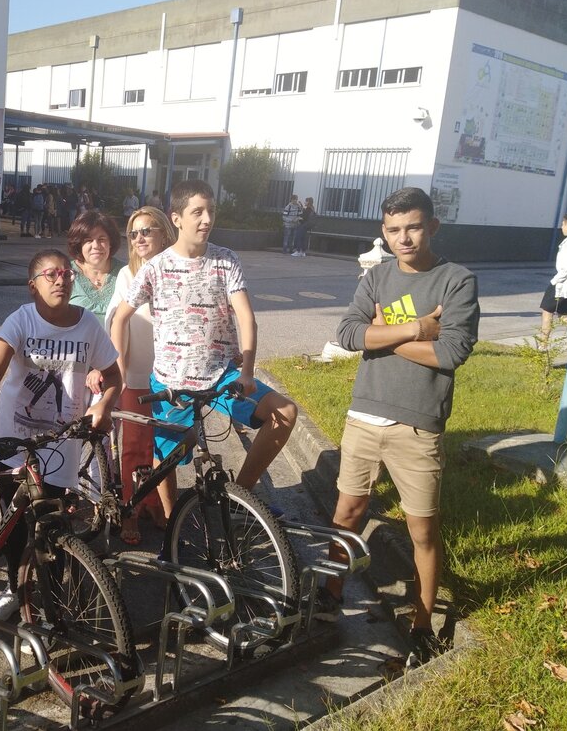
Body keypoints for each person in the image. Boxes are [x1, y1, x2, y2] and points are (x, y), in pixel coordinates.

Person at [316, 187, 479, 670]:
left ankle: (423, 623)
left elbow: (450, 353)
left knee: (422, 529)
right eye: (392, 230)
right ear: (383, 232)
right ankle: (330, 593)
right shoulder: (377, 276)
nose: (402, 238)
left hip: (418, 425)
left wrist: (382, 333)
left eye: (412, 227)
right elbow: (349, 334)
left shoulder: (456, 280)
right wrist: (414, 329)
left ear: (432, 226)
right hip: (364, 416)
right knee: (347, 512)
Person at [110, 180, 298, 521]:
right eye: (197, 212)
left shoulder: (226, 260)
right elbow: (119, 318)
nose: (207, 219)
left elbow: (246, 317)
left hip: (221, 376)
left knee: (284, 412)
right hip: (171, 382)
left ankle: (241, 498)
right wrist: (119, 369)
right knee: (166, 459)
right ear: (177, 218)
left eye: (211, 211)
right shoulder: (155, 267)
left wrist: (248, 372)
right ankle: (172, 523)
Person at [0, 249, 121, 619]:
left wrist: (104, 406)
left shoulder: (88, 325)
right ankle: (14, 589)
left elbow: (113, 375)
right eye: (51, 274)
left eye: (66, 274)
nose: (61, 280)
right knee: (15, 523)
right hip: (13, 438)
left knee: (54, 522)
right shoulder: (22, 319)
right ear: (33, 286)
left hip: (61, 443)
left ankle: (53, 600)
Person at [106, 206, 176, 544]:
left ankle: (154, 502)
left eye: (147, 230)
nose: (139, 238)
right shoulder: (128, 275)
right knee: (134, 447)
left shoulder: (179, 268)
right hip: (136, 375)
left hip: (173, 376)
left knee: (163, 446)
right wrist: (119, 368)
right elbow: (116, 321)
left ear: (164, 232)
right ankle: (130, 510)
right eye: (133, 233)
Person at [68, 210, 125, 321]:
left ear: (110, 243)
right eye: (88, 240)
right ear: (79, 244)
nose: (96, 246)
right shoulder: (65, 274)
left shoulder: (126, 272)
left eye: (102, 239)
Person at [538, 213, 567, 344]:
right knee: (563, 315)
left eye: (562, 224)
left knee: (547, 311)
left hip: (561, 286)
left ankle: (543, 345)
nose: (562, 227)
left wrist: (554, 281)